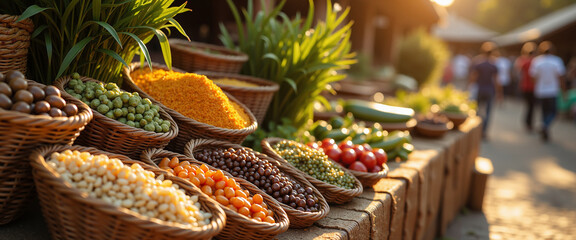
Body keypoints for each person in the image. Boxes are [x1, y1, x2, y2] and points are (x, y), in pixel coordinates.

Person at [529, 41, 566, 141]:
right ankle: (545, 125)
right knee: (553, 112)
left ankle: (544, 127)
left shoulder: (537, 61)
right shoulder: (556, 61)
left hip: (541, 91)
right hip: (552, 91)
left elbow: (533, 77)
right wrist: (564, 90)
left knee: (544, 111)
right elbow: (561, 77)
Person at [467, 42, 502, 139]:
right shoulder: (493, 65)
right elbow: (496, 81)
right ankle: (484, 132)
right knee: (488, 112)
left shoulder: (479, 64)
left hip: (479, 89)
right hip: (489, 90)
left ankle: (474, 130)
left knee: (476, 111)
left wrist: (469, 87)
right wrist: (499, 93)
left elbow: (473, 77)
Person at [514, 42, 537, 132]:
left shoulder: (523, 62)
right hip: (533, 87)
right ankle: (529, 123)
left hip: (525, 86)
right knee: (532, 106)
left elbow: (519, 74)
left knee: (528, 105)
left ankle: (527, 122)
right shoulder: (535, 62)